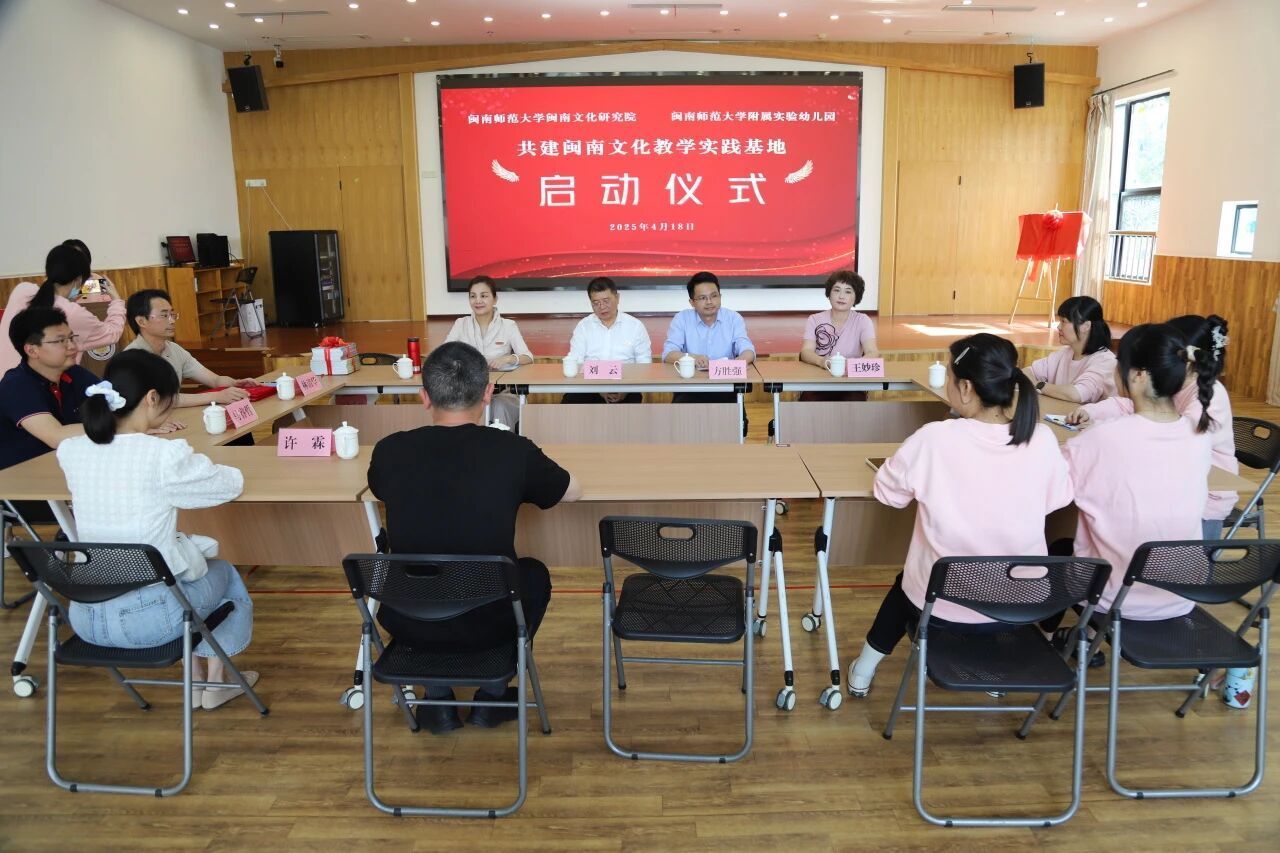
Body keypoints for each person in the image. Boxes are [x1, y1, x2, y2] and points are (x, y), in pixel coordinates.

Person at [367, 341, 581, 734]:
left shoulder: (389, 450)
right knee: (533, 574)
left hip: (408, 619)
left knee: (421, 574)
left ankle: (437, 702)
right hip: (489, 621)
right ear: (488, 393)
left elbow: (380, 489)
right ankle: (492, 697)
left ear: (424, 396)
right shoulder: (513, 451)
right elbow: (570, 491)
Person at [846, 333, 1072, 697]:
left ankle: (863, 670)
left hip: (943, 604)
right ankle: (995, 676)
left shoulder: (935, 438)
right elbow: (1056, 499)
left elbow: (888, 494)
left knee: (907, 585)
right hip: (1019, 605)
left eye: (950, 377)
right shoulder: (1042, 438)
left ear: (966, 388)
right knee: (937, 581)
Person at [57, 349, 257, 710]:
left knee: (179, 583)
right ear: (152, 398)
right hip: (150, 621)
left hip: (86, 619)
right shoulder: (161, 455)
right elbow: (228, 485)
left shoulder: (72, 451)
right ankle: (215, 683)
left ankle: (196, 679)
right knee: (224, 574)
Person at [1058, 323, 1213, 626]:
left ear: (1139, 375)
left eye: (1120, 362)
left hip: (1109, 597)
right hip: (1180, 596)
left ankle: (1055, 637)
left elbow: (1050, 490)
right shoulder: (1199, 436)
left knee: (1056, 542)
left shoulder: (1100, 439)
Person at [1068, 314, 1236, 539]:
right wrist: (1091, 411)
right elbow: (1128, 404)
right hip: (1167, 492)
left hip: (1203, 503)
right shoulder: (1172, 384)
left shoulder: (1209, 395)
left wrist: (1110, 432)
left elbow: (1172, 439)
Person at [0, 244, 126, 374]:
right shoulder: (72, 313)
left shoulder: (22, 290)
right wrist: (117, 301)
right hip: (36, 384)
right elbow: (112, 333)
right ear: (79, 280)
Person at [123, 289, 258, 408]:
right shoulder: (131, 358)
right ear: (141, 321)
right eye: (164, 315)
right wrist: (216, 396)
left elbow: (214, 380)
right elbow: (161, 399)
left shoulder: (174, 349)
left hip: (175, 418)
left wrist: (235, 384)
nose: (172, 321)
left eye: (172, 314)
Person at [444, 276, 533, 427]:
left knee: (498, 407)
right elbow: (444, 354)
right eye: (473, 296)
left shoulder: (508, 326)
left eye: (484, 296)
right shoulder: (461, 324)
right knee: (460, 409)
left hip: (501, 394)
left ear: (495, 299)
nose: (478, 301)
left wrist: (507, 359)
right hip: (468, 393)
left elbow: (528, 357)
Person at [661, 271, 756, 404]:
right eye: (702, 298)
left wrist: (738, 362)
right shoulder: (682, 319)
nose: (709, 302)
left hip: (726, 387)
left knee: (736, 416)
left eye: (714, 296)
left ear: (720, 296)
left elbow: (747, 349)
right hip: (690, 387)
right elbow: (668, 354)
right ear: (692, 302)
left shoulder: (733, 318)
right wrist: (693, 358)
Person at [563, 276, 652, 404]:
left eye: (606, 301)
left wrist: (625, 390)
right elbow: (576, 362)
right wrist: (599, 389)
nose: (602, 307)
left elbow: (644, 364)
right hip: (589, 388)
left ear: (617, 298)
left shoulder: (635, 326)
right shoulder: (583, 326)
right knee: (570, 402)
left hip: (626, 387)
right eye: (596, 303)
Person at [798, 270, 879, 401]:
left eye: (848, 291)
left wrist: (850, 366)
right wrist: (822, 361)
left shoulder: (863, 320)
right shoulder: (814, 319)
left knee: (853, 403)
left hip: (851, 382)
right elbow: (806, 352)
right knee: (810, 403)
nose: (841, 296)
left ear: (856, 297)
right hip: (819, 379)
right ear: (829, 293)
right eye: (836, 290)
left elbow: (873, 352)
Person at [1023, 296, 1116, 404]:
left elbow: (1077, 394)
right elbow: (1027, 372)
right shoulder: (1065, 353)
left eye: (1064, 321)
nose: (1058, 327)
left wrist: (1039, 385)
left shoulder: (1105, 361)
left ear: (1086, 326)